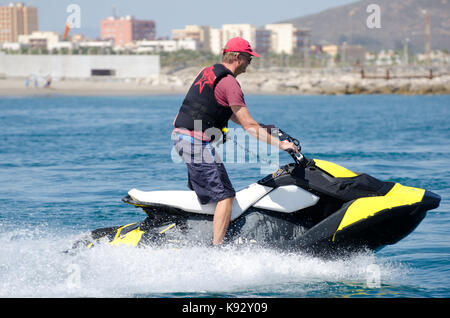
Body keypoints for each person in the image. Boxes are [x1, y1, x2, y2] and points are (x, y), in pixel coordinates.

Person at [172, 37, 298, 245]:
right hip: (195, 142)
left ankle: (198, 228)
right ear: (238, 57)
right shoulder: (230, 83)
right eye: (249, 58)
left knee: (206, 192)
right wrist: (282, 145)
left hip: (182, 136)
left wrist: (262, 128)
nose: (250, 63)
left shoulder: (207, 71)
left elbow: (220, 108)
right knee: (225, 196)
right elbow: (249, 127)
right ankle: (217, 248)